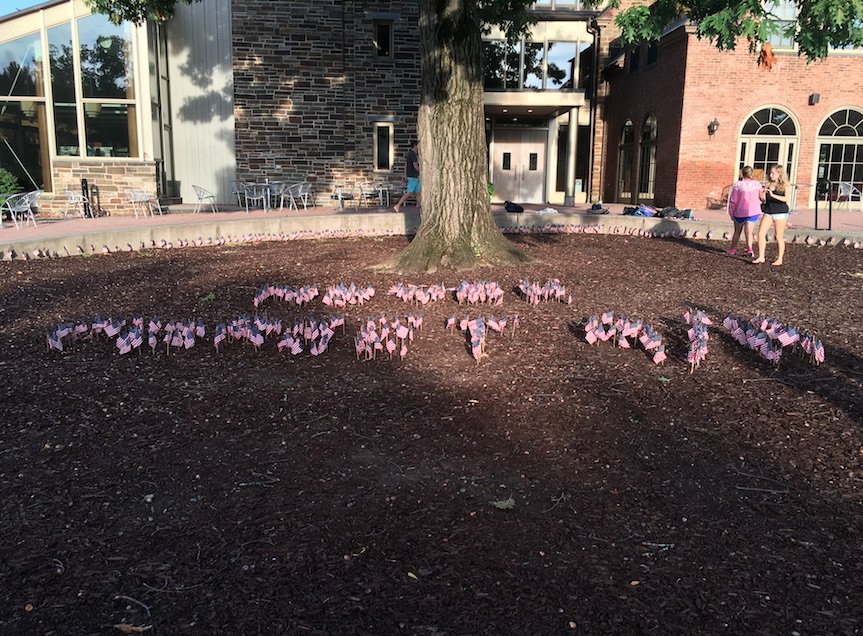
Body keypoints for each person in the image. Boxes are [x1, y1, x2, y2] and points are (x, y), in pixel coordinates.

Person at [753, 164, 790, 266]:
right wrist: (761, 196)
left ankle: (780, 259)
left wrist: (773, 195)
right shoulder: (768, 184)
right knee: (760, 234)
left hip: (780, 213)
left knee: (778, 236)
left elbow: (786, 199)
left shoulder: (785, 185)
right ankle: (761, 256)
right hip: (769, 211)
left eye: (773, 173)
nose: (771, 175)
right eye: (770, 173)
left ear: (779, 174)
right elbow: (764, 199)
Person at [725, 166, 762, 256]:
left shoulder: (738, 185)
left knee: (737, 231)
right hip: (753, 211)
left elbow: (733, 201)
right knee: (749, 231)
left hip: (740, 211)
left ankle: (732, 249)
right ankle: (749, 248)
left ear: (742, 173)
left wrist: (731, 212)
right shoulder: (757, 185)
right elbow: (761, 197)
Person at [394, 140, 420, 213]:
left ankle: (420, 206)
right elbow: (415, 166)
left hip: (413, 176)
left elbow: (405, 165)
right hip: (413, 176)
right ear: (415, 145)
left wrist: (405, 175)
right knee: (409, 193)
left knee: (418, 192)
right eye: (419, 145)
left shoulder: (409, 154)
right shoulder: (413, 155)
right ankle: (398, 205)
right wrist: (422, 171)